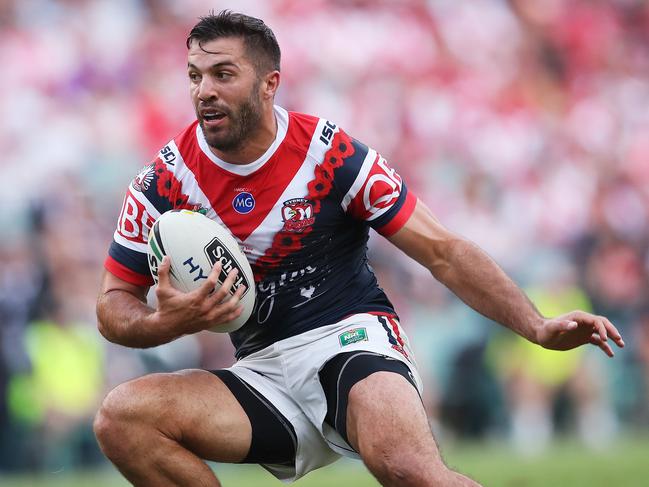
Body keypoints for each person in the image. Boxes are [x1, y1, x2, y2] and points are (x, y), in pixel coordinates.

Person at [93, 10, 624, 487]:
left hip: (348, 341)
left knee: (408, 469)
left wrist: (535, 326)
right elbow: (113, 303)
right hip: (261, 374)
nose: (203, 90)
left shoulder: (330, 155)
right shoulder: (164, 179)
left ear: (269, 84)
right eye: (195, 76)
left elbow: (442, 251)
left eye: (223, 74)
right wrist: (165, 324)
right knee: (121, 419)